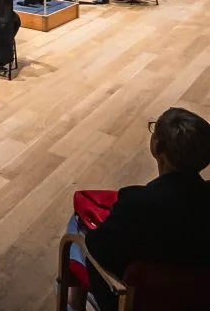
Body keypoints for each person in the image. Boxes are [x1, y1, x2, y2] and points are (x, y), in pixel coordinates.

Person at [66, 108, 210, 311]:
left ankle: (72, 304)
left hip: (131, 302)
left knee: (76, 225)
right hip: (198, 301)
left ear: (156, 146)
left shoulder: (137, 203)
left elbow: (97, 248)